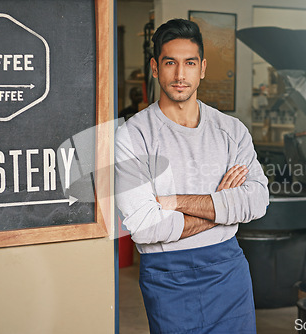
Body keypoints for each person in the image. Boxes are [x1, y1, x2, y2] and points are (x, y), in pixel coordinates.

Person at [115, 18, 269, 334]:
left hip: (228, 270)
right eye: (170, 63)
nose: (180, 74)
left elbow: (257, 201)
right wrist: (223, 208)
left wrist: (174, 202)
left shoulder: (231, 131)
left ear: (202, 68)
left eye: (190, 63)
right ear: (155, 68)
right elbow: (144, 227)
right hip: (168, 277)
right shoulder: (133, 136)